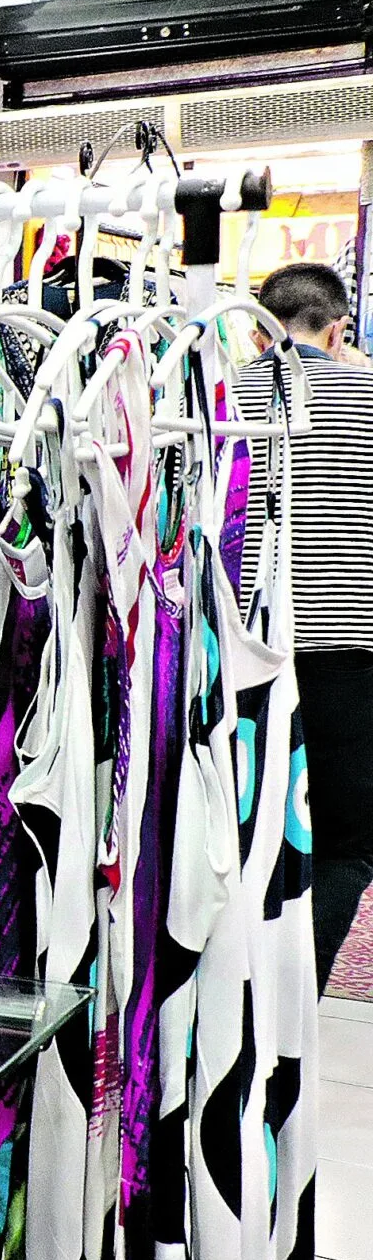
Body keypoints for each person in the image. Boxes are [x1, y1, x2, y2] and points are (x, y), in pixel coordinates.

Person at [237, 261, 373, 992]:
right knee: (346, 844)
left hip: (239, 654)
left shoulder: (222, 394)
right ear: (338, 327)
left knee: (238, 837)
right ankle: (292, 1008)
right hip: (345, 656)